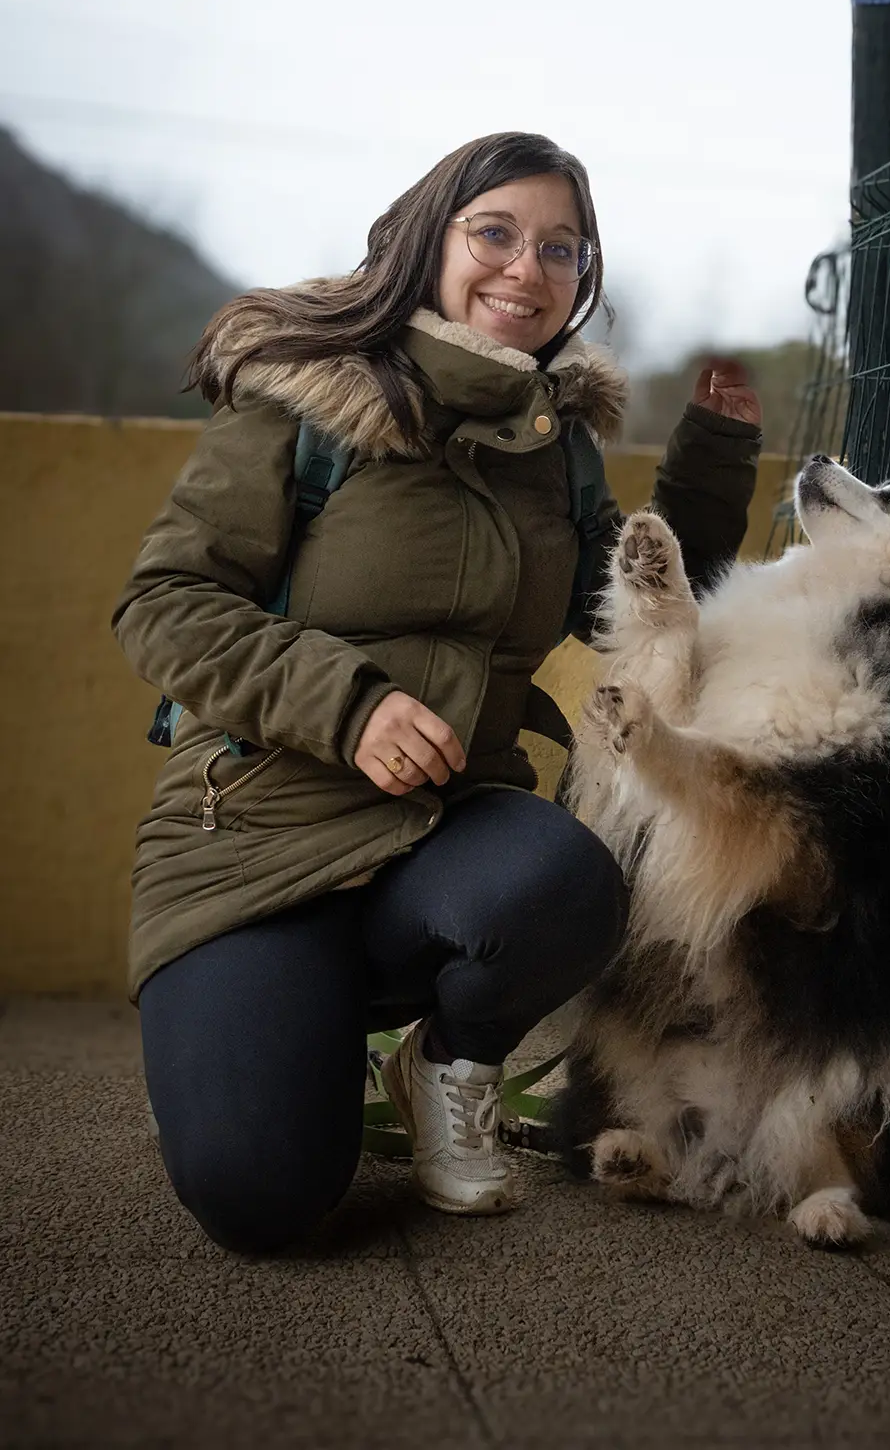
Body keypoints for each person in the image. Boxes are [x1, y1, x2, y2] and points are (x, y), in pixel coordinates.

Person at [114, 131, 762, 1253]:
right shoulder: (305, 397)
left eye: (560, 248)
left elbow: (634, 612)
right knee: (262, 1198)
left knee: (570, 879)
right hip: (257, 841)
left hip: (447, 835)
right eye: (495, 232)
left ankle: (447, 1065)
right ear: (430, 240)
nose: (526, 268)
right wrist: (349, 704)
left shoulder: (552, 443)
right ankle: (278, 1031)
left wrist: (710, 464)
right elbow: (163, 602)